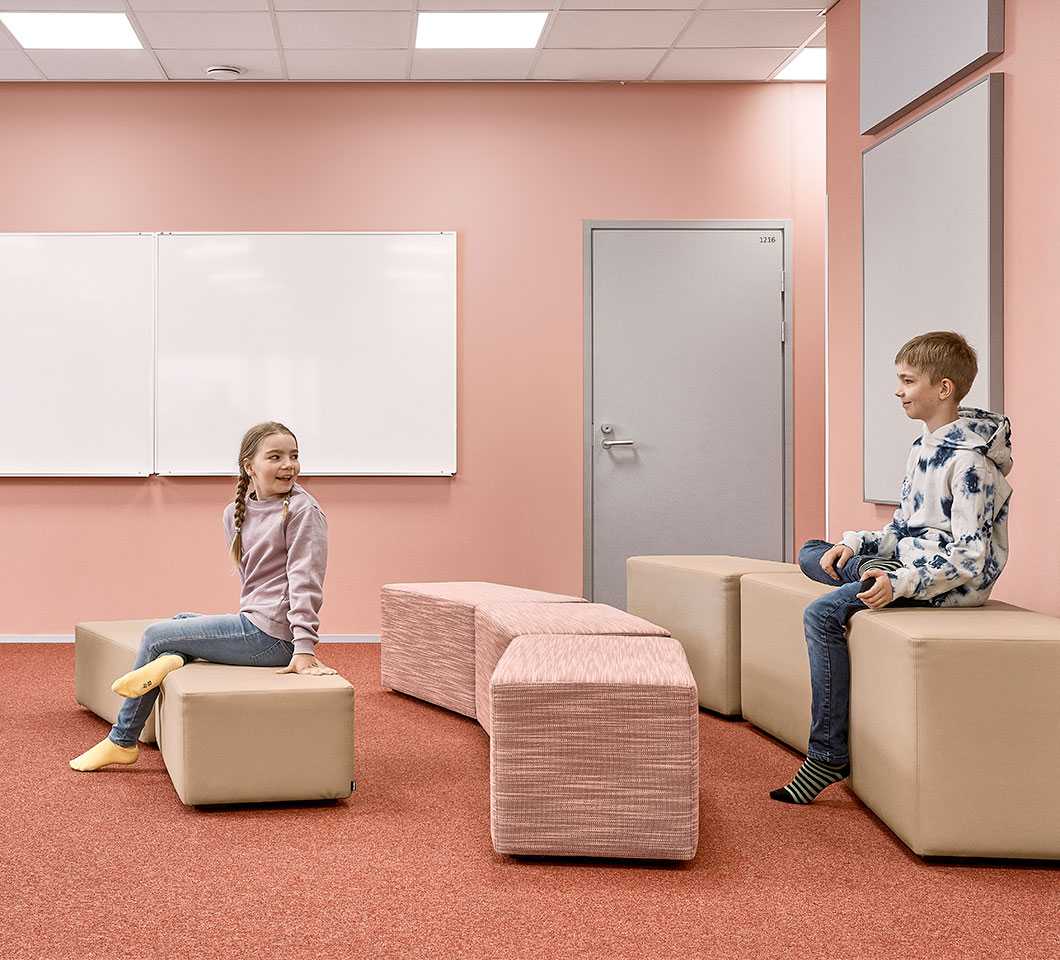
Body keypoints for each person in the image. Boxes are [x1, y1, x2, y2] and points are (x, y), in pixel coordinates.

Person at [770, 331, 1013, 804]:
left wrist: (900, 580)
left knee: (821, 615)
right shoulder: (923, 448)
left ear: (943, 389)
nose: (898, 391)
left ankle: (826, 755)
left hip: (950, 582)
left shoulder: (971, 467)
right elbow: (905, 525)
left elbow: (970, 559)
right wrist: (855, 544)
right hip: (911, 561)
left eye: (907, 381)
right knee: (811, 551)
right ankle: (865, 567)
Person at [70, 420, 337, 772]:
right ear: (249, 466)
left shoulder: (304, 512)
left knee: (155, 636)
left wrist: (304, 649)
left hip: (275, 638)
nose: (289, 465)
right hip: (255, 623)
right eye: (275, 457)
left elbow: (306, 581)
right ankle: (178, 657)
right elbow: (253, 581)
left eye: (294, 456)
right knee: (181, 621)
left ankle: (121, 740)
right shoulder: (235, 513)